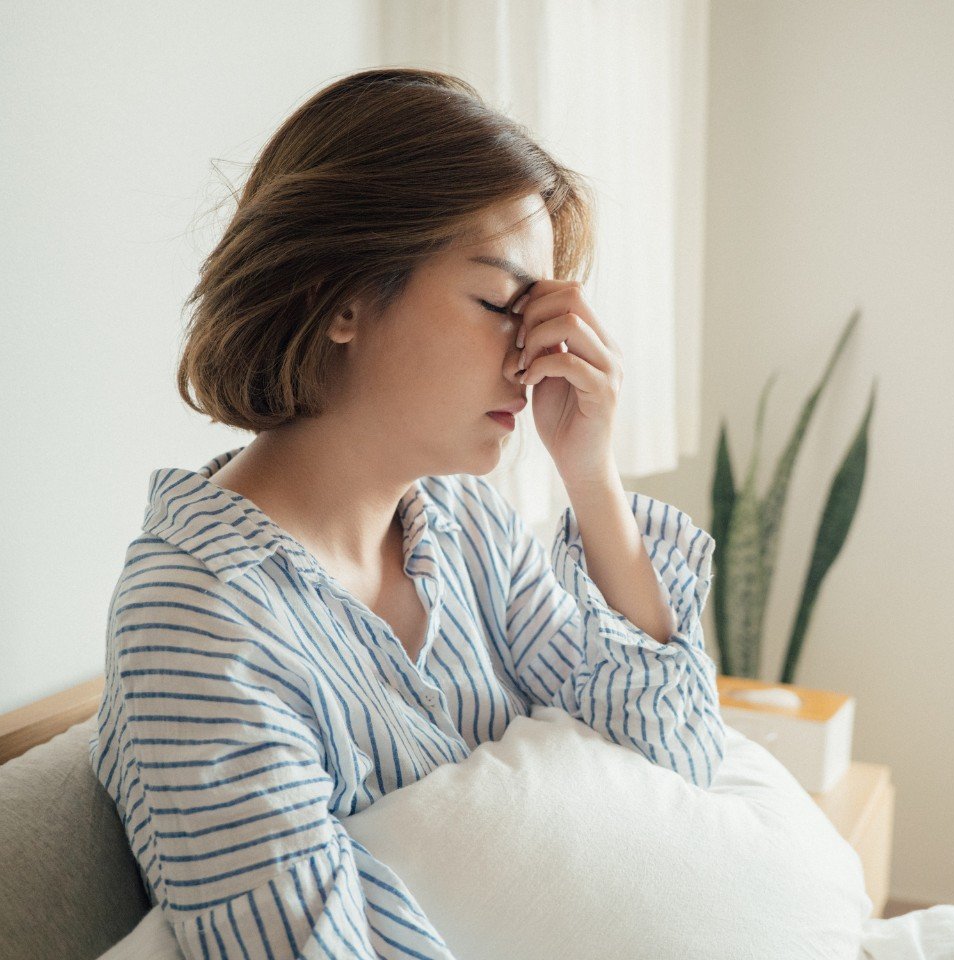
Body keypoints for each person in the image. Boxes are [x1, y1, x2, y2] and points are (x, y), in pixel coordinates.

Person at [89, 67, 725, 960]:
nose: (534, 356)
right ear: (340, 294)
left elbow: (679, 767)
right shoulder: (197, 625)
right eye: (504, 304)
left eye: (542, 310)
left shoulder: (467, 527)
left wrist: (592, 477)